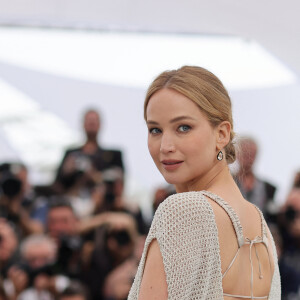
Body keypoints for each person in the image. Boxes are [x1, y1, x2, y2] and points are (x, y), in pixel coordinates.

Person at [127, 66, 281, 299]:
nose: (165, 146)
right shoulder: (260, 224)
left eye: (183, 128)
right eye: (155, 129)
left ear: (222, 134)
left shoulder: (183, 211)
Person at [55, 109, 124, 193]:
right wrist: (67, 171)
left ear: (100, 124)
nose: (91, 124)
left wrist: (94, 175)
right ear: (83, 124)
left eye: (94, 121)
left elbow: (120, 183)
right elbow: (57, 184)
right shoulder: (71, 155)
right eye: (89, 121)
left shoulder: (113, 156)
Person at [235, 137, 277, 217]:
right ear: (237, 154)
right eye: (245, 153)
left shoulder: (268, 188)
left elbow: (271, 215)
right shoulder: (225, 182)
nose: (248, 158)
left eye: (251, 154)